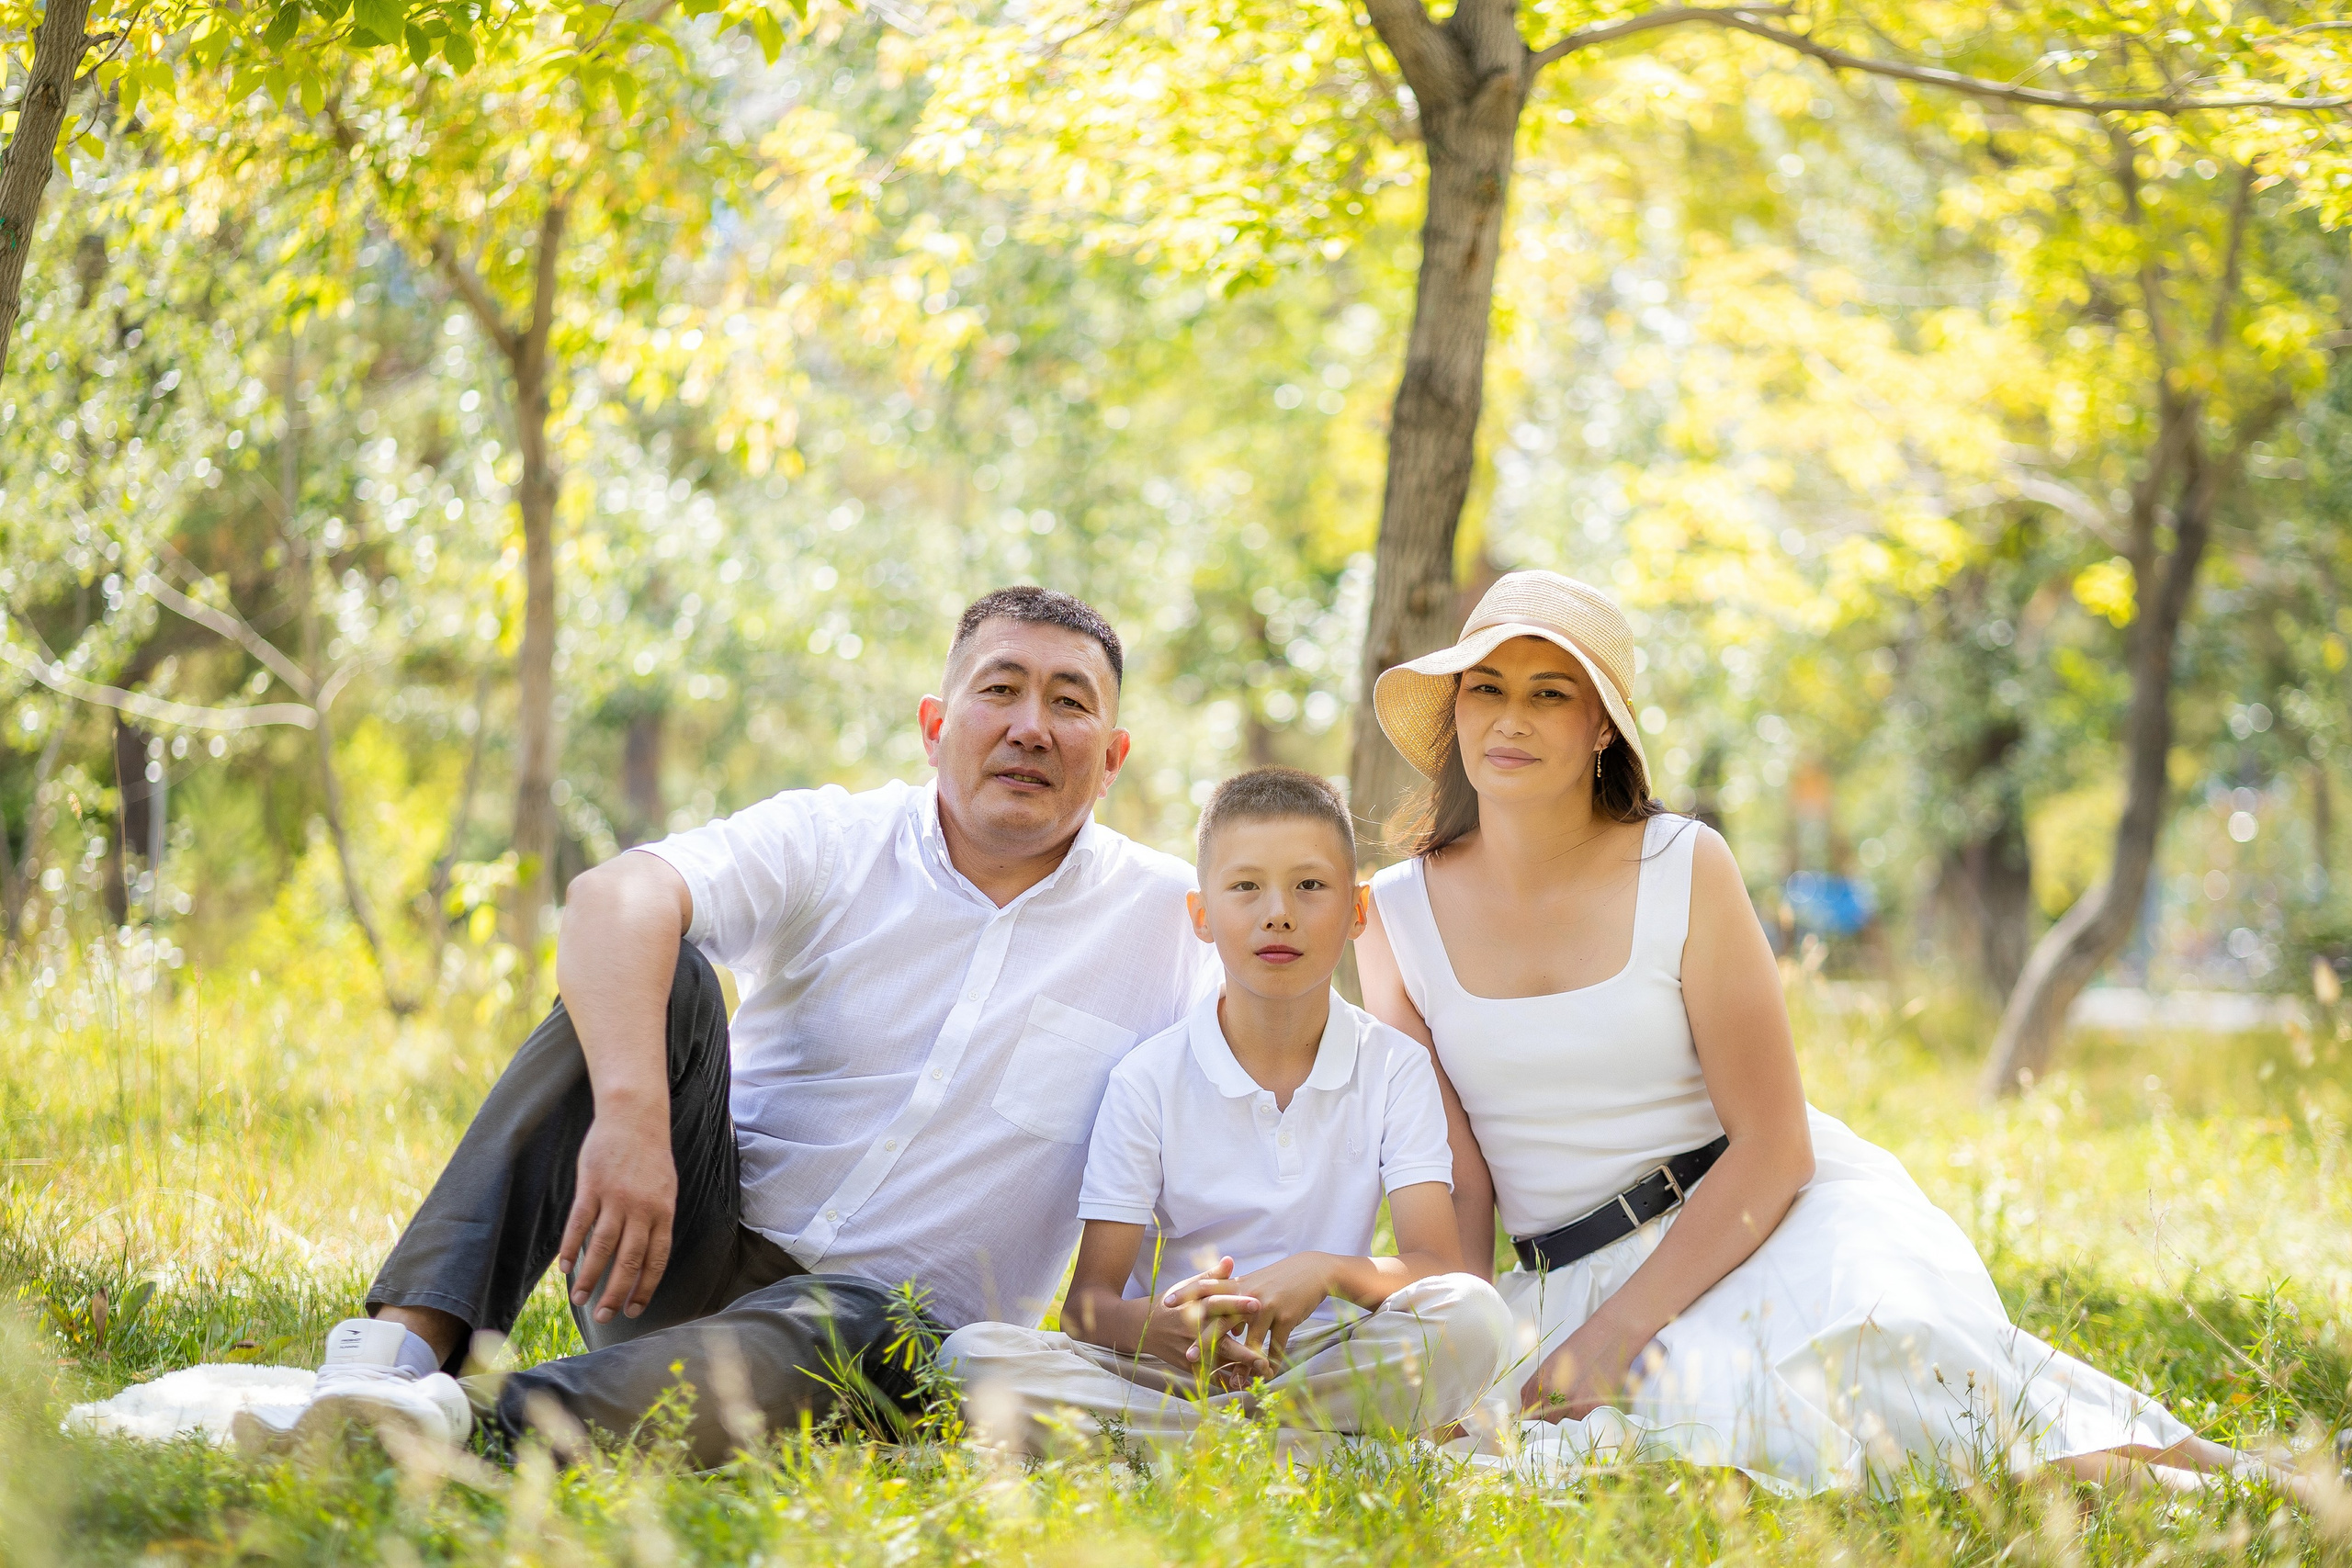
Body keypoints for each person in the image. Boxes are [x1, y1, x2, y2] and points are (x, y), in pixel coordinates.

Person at [1352, 569, 2290, 1495]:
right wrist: (1456, 1360)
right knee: (1675, 1440)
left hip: (1755, 1221)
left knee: (1886, 1367)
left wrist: (1615, 1338)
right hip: (1562, 1275)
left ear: (1601, 726)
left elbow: (1772, 1144)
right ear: (1455, 711)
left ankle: (2235, 1489)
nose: (1509, 719)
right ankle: (2240, 1484)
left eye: (1547, 694)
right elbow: (1459, 1188)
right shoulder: (1394, 917)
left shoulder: (1683, 864)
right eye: (1485, 689)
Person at [239, 587, 1216, 1464]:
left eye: (1070, 702)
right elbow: (609, 898)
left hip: (892, 1333)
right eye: (999, 691)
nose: (1030, 728)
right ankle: (391, 1359)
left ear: (1114, 756)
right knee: (659, 972)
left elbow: (1273, 1089)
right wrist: (629, 1119)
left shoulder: (1175, 920)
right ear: (934, 726)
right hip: (673, 1245)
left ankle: (453, 1428)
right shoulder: (836, 839)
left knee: (851, 1321)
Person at [940, 768, 1510, 1456]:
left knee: (1476, 1317)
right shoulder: (1147, 1078)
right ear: (1202, 916)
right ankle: (1334, 1454)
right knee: (971, 1358)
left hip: (1326, 1356)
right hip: (1170, 1373)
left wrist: (1326, 1270)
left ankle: (1205, 1450)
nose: (1278, 912)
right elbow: (1089, 1307)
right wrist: (1165, 1328)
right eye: (1245, 886)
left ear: (1357, 911)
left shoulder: (1393, 1066)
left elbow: (1435, 1264)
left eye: (1310, 885)